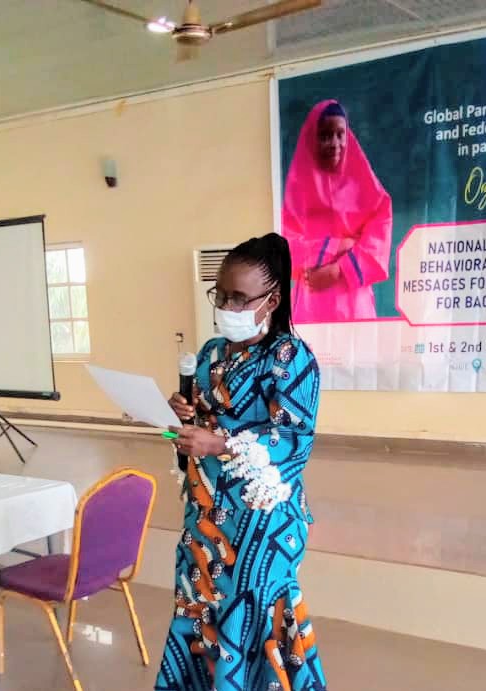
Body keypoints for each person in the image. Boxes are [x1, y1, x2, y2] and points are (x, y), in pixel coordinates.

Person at [155, 233, 327, 691]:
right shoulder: (211, 353)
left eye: (238, 297)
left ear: (272, 299)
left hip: (260, 526)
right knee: (200, 610)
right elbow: (195, 435)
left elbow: (293, 438)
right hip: (205, 517)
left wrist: (219, 443)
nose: (227, 306)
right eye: (220, 294)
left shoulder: (290, 357)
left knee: (250, 619)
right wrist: (182, 420)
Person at [282, 99, 393, 323]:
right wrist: (340, 245)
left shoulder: (366, 188)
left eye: (340, 134)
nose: (335, 143)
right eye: (325, 136)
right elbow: (287, 249)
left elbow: (378, 241)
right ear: (312, 140)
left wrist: (339, 270)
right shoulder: (298, 191)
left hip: (354, 302)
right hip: (311, 301)